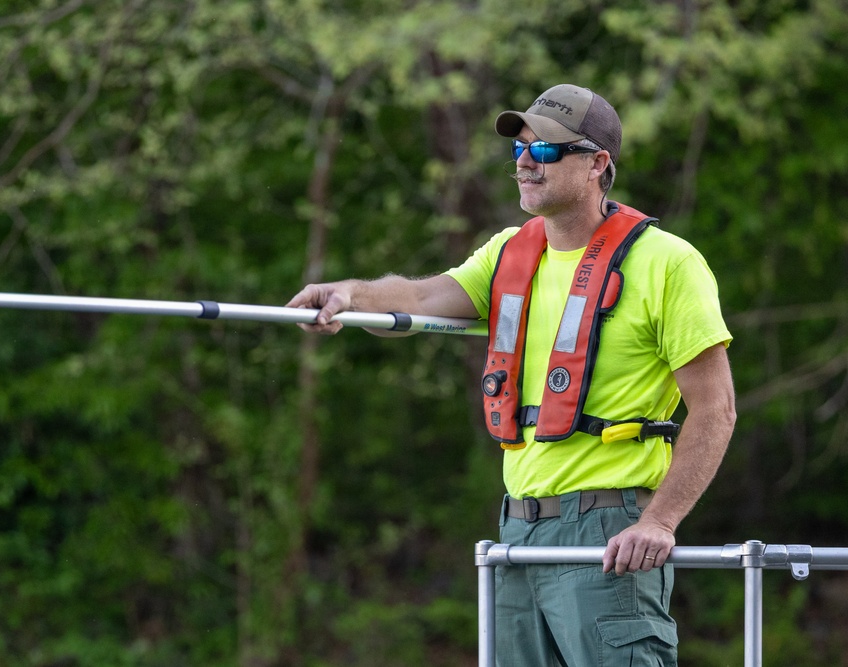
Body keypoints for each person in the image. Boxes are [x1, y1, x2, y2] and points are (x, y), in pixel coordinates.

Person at [286, 83, 735, 666]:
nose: (525, 162)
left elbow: (716, 408)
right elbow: (419, 297)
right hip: (516, 531)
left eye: (545, 151)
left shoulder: (670, 263)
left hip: (609, 533)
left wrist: (660, 522)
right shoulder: (507, 253)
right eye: (520, 149)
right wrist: (350, 293)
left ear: (598, 163)